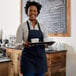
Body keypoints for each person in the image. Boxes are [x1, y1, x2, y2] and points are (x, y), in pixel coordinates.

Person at [16, 1, 48, 76]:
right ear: (27, 12)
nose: (32, 12)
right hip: (28, 60)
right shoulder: (22, 26)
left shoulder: (43, 26)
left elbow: (46, 43)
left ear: (38, 12)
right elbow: (16, 44)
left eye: (35, 11)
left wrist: (48, 44)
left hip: (40, 59)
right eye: (30, 10)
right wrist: (23, 44)